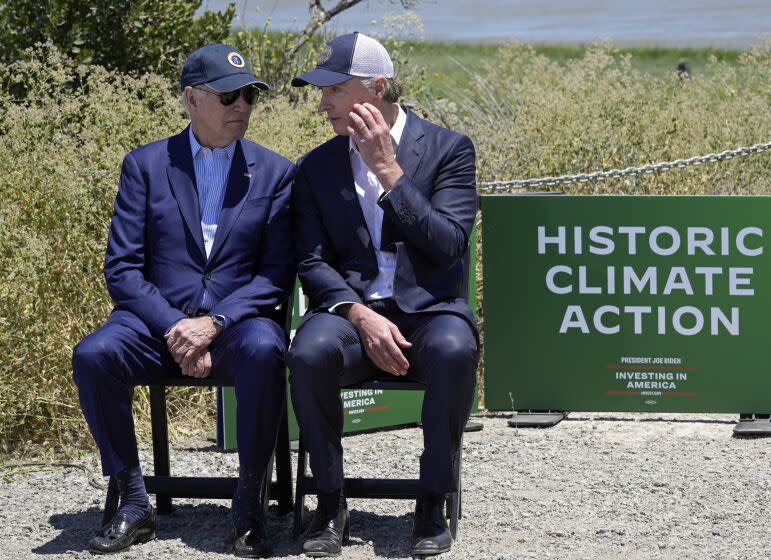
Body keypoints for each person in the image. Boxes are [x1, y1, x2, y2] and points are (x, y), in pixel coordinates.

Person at [72, 44, 295, 558]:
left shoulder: (275, 172)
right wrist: (179, 327)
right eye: (229, 95)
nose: (242, 105)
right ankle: (133, 500)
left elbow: (276, 275)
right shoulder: (146, 165)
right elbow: (122, 270)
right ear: (192, 98)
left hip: (237, 324)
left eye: (250, 95)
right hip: (156, 323)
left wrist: (213, 323)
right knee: (93, 355)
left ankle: (248, 506)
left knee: (266, 351)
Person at [288, 32, 479, 557]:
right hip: (353, 311)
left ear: (376, 88)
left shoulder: (449, 149)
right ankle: (329, 503)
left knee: (455, 349)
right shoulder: (316, 166)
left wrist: (390, 173)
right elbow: (311, 261)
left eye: (333, 88)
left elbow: (449, 245)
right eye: (320, 90)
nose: (322, 102)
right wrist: (358, 315)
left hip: (429, 310)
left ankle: (432, 500)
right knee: (308, 352)